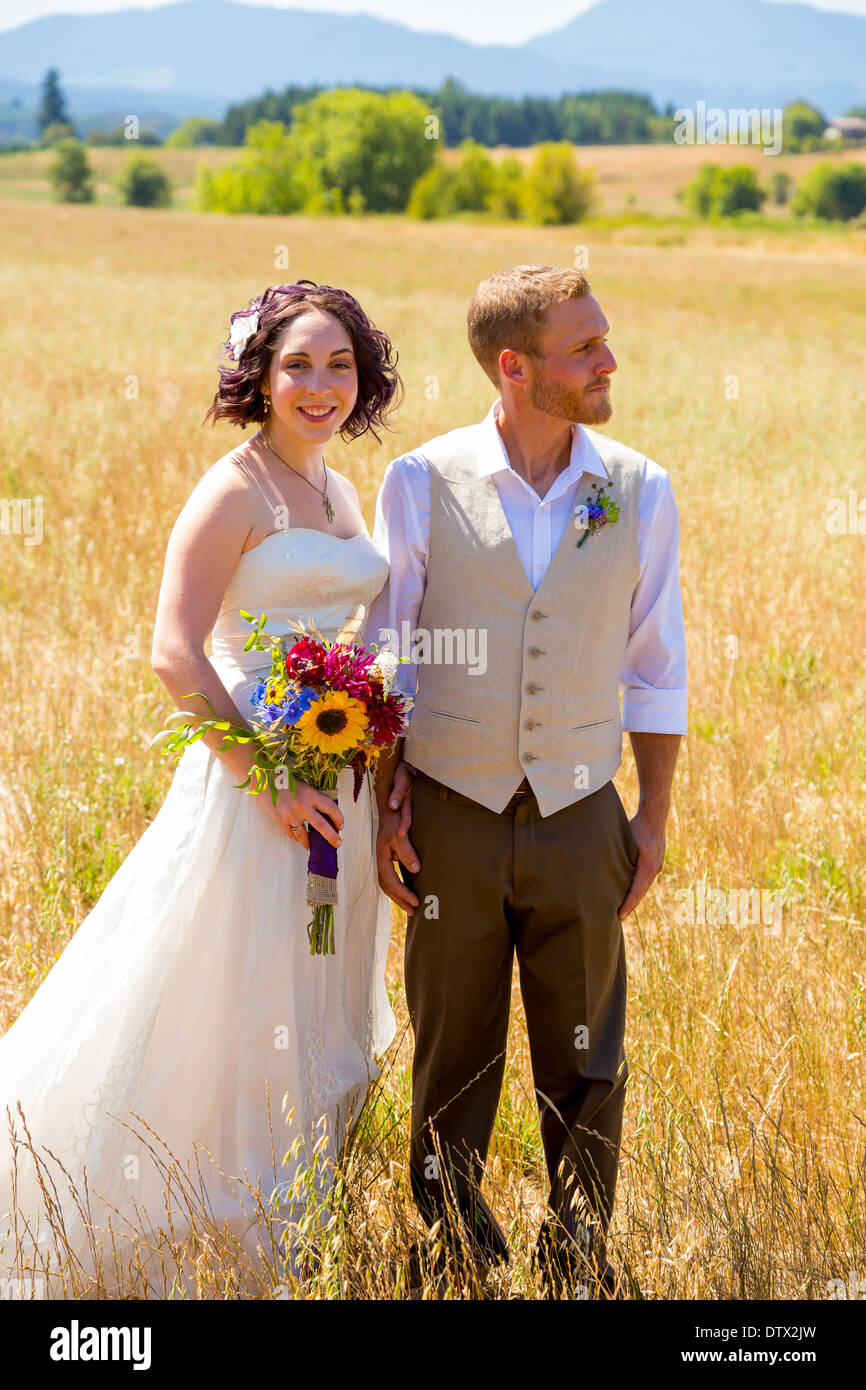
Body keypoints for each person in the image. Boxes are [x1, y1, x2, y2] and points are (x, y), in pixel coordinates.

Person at [0, 280, 399, 1298]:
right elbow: (174, 653)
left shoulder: (338, 493)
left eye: (339, 364)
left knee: (313, 996)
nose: (320, 385)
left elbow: (344, 637)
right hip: (250, 793)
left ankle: (289, 1215)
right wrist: (265, 774)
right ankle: (170, 1213)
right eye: (298, 364)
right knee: (216, 994)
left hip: (334, 792)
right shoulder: (234, 488)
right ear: (257, 377)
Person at [367, 263, 687, 1298]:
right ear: (513, 367)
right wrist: (389, 796)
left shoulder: (638, 486)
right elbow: (390, 654)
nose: (607, 362)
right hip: (450, 812)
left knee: (587, 1055)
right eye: (583, 349)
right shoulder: (421, 480)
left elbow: (654, 663)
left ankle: (577, 1253)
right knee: (450, 1050)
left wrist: (650, 820)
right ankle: (454, 1250)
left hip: (581, 811)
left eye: (602, 341)